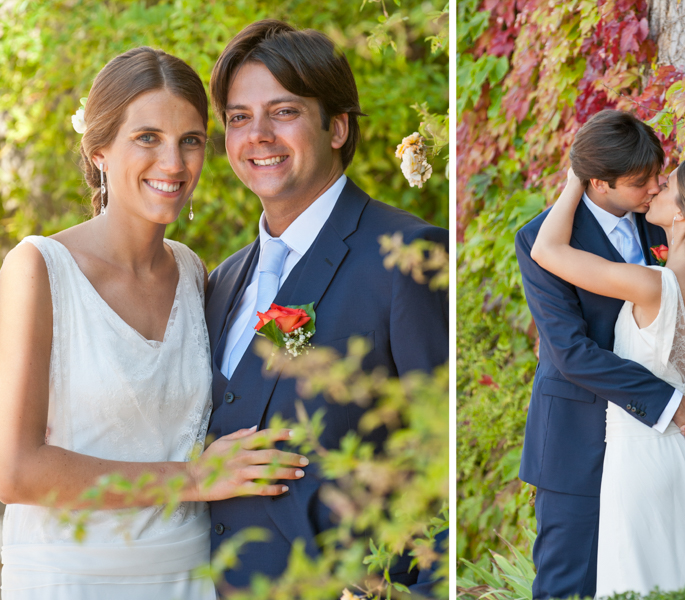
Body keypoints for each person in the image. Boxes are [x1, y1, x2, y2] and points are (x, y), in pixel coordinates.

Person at [0, 47, 308, 599]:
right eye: (147, 138)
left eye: (190, 140)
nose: (173, 163)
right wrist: (194, 480)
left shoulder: (195, 273)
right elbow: (16, 470)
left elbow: (257, 382)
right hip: (70, 580)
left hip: (190, 578)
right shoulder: (39, 269)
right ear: (99, 150)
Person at [204, 20, 449, 590]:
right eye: (239, 117)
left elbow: (442, 459)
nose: (257, 134)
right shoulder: (221, 281)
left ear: (337, 126)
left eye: (283, 112)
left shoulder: (405, 257)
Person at [514, 109, 685, 599]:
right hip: (578, 443)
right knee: (568, 586)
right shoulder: (541, 240)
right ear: (598, 182)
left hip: (663, 454)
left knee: (663, 578)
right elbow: (571, 352)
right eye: (642, 182)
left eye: (660, 176)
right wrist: (672, 403)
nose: (656, 188)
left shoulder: (667, 226)